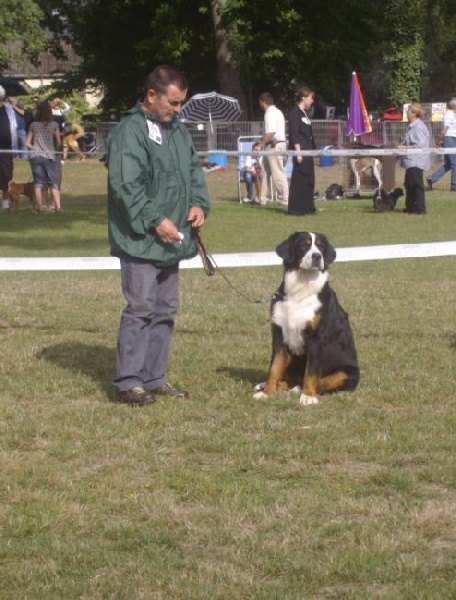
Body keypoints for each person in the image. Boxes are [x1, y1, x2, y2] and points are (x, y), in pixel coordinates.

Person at [107, 65, 210, 406]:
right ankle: (129, 382)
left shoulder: (177, 130)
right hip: (141, 239)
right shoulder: (129, 132)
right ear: (152, 95)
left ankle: (154, 378)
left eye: (181, 103)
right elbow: (126, 186)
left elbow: (193, 171)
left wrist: (198, 203)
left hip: (171, 238)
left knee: (165, 310)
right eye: (174, 102)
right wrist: (155, 220)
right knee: (141, 309)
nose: (178, 110)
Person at [25, 100, 62, 212]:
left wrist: (35, 149)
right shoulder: (54, 125)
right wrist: (53, 150)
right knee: (53, 182)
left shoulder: (33, 125)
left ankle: (40, 207)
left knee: (38, 183)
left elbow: (27, 143)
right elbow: (59, 143)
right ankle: (58, 207)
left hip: (35, 156)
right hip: (49, 156)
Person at [288, 86, 317, 215]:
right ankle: (296, 208)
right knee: (299, 180)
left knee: (309, 179)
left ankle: (308, 207)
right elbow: (294, 134)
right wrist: (298, 152)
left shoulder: (305, 113)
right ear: (303, 98)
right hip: (301, 152)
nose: (312, 100)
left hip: (308, 151)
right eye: (310, 98)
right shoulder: (294, 113)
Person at [398, 103, 430, 215]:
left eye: (408, 111)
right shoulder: (412, 126)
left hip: (416, 160)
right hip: (410, 160)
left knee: (416, 185)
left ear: (414, 113)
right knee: (409, 184)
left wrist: (403, 148)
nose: (406, 113)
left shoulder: (419, 127)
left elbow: (419, 146)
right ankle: (410, 206)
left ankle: (420, 208)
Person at [258, 93, 288, 205]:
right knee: (264, 172)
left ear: (263, 101)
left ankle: (285, 199)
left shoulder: (270, 113)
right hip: (274, 146)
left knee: (278, 173)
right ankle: (262, 199)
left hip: (274, 146)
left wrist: (260, 144)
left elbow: (271, 133)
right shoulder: (278, 112)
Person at [426, 97, 456, 191]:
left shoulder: (453, 114)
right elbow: (444, 129)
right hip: (449, 139)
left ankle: (431, 179)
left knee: (450, 164)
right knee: (454, 162)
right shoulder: (449, 114)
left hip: (452, 139)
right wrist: (439, 139)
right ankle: (454, 186)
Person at [0, 85, 18, 211]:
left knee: (6, 177)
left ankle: (6, 204)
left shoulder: (8, 108)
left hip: (6, 149)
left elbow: (14, 128)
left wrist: (14, 148)